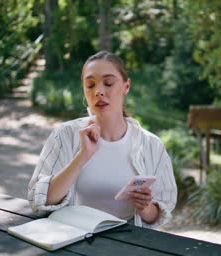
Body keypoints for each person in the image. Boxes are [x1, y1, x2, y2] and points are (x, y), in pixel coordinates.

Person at [27, 51, 177, 229]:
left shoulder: (152, 145)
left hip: (129, 245)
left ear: (126, 87)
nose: (98, 92)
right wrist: (83, 155)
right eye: (90, 85)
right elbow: (40, 201)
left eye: (108, 83)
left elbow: (160, 214)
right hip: (73, 241)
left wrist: (145, 208)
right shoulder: (65, 135)